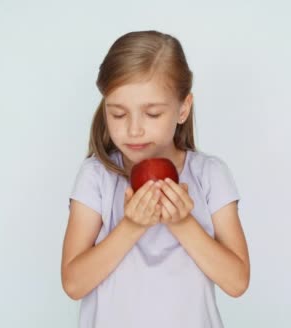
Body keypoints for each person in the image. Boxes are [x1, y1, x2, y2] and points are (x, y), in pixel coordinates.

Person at [61, 30, 250, 328]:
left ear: (182, 109)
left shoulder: (210, 175)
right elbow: (73, 284)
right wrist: (132, 226)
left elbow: (237, 282)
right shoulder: (96, 176)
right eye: (119, 114)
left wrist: (183, 223)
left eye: (152, 114)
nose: (134, 130)